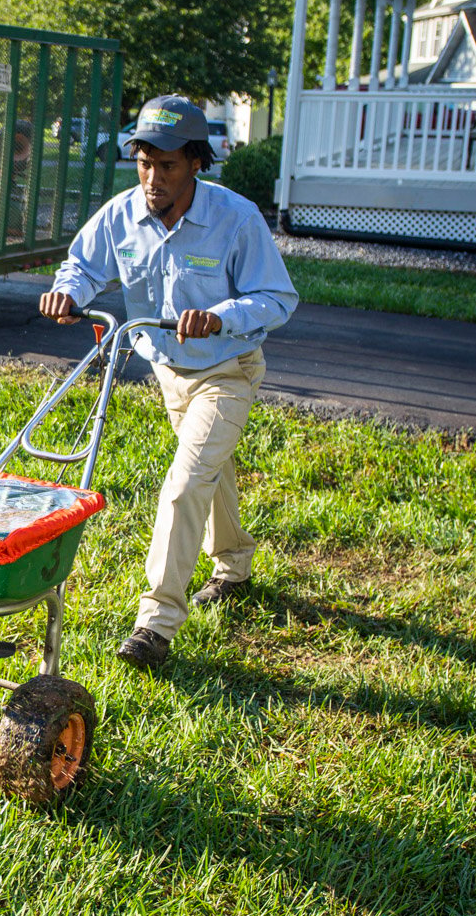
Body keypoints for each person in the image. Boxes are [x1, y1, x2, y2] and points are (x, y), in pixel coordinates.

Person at [40, 95, 298, 670]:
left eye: (168, 165)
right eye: (144, 162)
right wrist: (71, 294)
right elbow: (82, 266)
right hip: (166, 370)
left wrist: (222, 315)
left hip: (227, 369)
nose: (153, 178)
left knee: (185, 481)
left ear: (197, 162)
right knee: (210, 467)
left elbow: (278, 298)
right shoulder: (122, 214)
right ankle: (233, 565)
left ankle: (155, 624)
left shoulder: (236, 219)